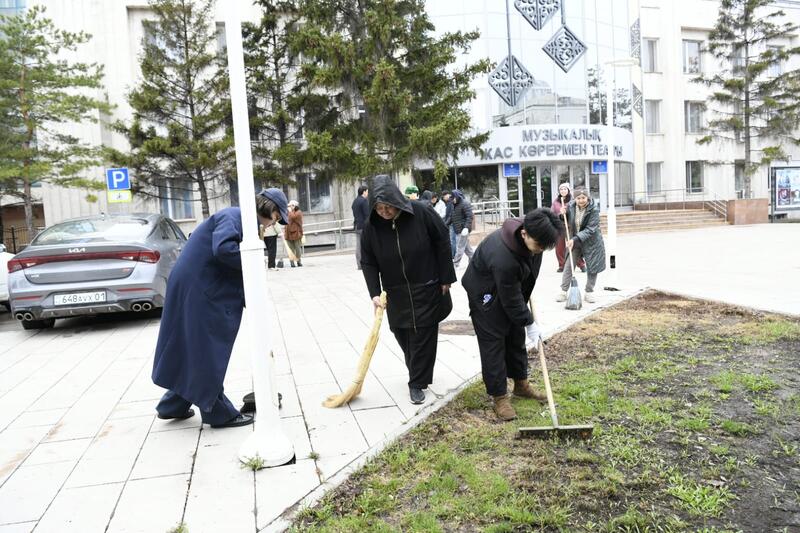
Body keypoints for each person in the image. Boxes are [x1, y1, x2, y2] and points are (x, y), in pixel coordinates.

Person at [152, 189, 289, 428]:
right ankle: (216, 411)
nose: (275, 222)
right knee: (207, 348)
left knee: (191, 346)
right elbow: (224, 249)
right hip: (198, 288)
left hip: (194, 284)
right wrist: (256, 257)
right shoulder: (235, 216)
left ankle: (173, 404)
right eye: (277, 215)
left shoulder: (239, 219)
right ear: (268, 207)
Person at [360, 175, 456, 405]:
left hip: (427, 284)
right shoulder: (371, 227)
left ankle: (416, 382)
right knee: (402, 334)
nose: (384, 212)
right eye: (379, 208)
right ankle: (418, 370)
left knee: (423, 334)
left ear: (397, 201)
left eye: (388, 207)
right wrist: (374, 293)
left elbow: (442, 239)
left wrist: (446, 276)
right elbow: (368, 261)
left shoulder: (420, 212)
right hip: (395, 291)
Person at [462, 209, 562, 421]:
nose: (540, 251)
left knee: (516, 337)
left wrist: (523, 317)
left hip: (510, 290)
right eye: (539, 246)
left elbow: (521, 283)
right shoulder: (503, 256)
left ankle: (521, 384)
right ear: (524, 233)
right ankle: (499, 397)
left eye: (545, 247)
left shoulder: (537, 237)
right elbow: (509, 297)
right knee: (494, 344)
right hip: (485, 295)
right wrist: (529, 321)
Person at [558, 187, 606, 304]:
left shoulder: (593, 209)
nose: (581, 200)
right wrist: (562, 214)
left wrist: (575, 238)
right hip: (575, 241)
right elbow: (565, 219)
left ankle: (589, 292)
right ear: (575, 198)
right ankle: (563, 291)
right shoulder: (571, 206)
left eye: (583, 198)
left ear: (588, 198)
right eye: (578, 198)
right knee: (569, 266)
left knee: (592, 267)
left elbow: (590, 229)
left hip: (591, 242)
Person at [552, 183, 586, 273]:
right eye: (561, 189)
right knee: (560, 247)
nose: (563, 191)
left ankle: (581, 264)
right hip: (560, 226)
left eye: (565, 189)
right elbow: (552, 214)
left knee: (574, 245)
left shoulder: (573, 200)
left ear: (568, 190)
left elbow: (578, 211)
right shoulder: (556, 202)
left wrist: (567, 211)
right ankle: (562, 265)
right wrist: (560, 213)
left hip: (571, 226)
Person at [451, 188, 474, 268]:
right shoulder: (455, 205)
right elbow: (453, 218)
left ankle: (455, 264)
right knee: (467, 248)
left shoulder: (465, 204)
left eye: (453, 198)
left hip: (463, 230)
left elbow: (469, 216)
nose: (452, 200)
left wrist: (466, 228)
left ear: (457, 197)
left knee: (459, 247)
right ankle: (474, 260)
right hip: (458, 230)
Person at [352, 185, 370, 270]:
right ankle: (365, 263)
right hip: (363, 226)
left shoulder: (355, 201)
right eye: (367, 191)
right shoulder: (364, 201)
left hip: (356, 225)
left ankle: (359, 264)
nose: (367, 193)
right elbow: (367, 215)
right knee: (365, 245)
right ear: (364, 192)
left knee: (358, 245)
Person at [285, 200, 304, 267]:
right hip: (288, 233)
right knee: (290, 249)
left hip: (296, 233)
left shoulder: (298, 212)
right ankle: (292, 262)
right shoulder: (289, 212)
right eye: (289, 205)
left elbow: (294, 217)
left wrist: (290, 211)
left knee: (297, 248)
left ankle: (298, 261)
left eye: (291, 205)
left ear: (295, 206)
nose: (290, 207)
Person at [441, 190, 456, 256]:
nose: (444, 199)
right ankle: (454, 254)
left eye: (444, 197)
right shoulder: (449, 201)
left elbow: (451, 214)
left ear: (447, 195)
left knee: (453, 240)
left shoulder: (450, 201)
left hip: (452, 223)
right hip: (451, 223)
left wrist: (446, 223)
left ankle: (453, 255)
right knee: (453, 239)